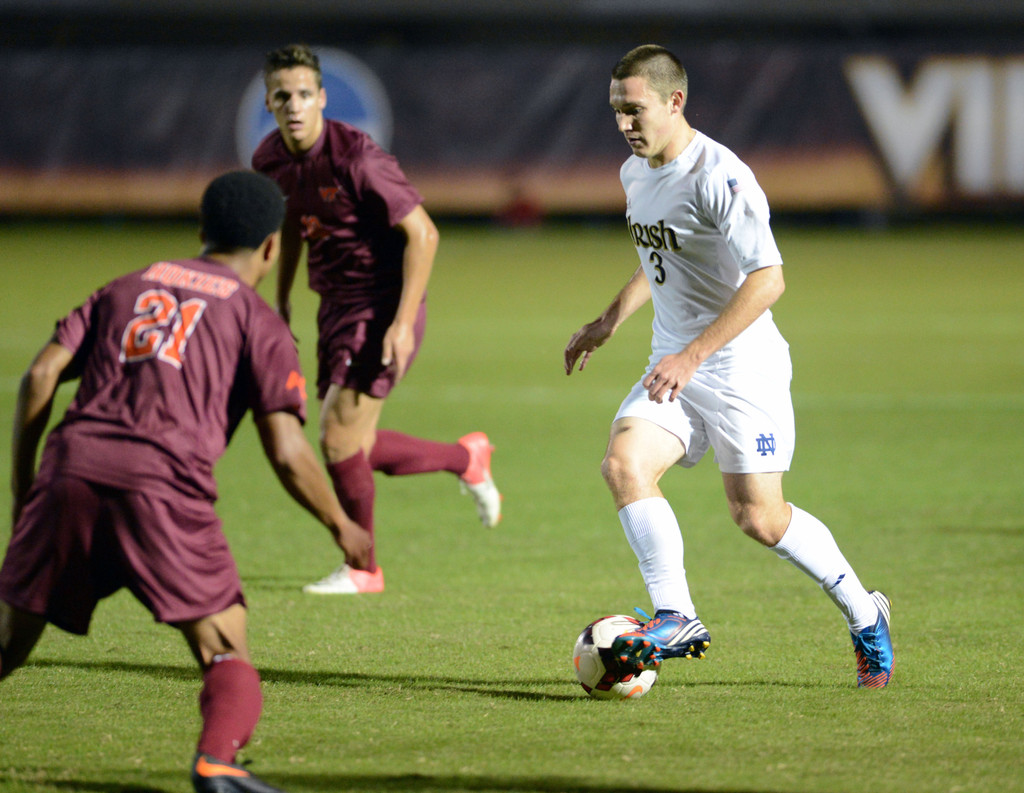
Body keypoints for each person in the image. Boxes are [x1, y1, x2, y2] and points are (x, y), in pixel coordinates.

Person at [0, 170, 373, 793]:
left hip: (71, 470)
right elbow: (285, 450)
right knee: (225, 648)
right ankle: (218, 763)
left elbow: (39, 378)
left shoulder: (125, 286)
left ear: (201, 231)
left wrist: (24, 491)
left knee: (10, 642)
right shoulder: (258, 320)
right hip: (162, 487)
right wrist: (342, 525)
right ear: (272, 248)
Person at [564, 45, 894, 688]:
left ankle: (864, 611)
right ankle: (678, 614)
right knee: (623, 464)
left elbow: (769, 280)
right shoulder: (635, 173)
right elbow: (660, 255)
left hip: (743, 368)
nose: (625, 124)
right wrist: (609, 320)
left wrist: (693, 355)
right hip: (676, 367)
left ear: (674, 101)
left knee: (759, 518)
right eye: (616, 112)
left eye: (635, 110)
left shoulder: (722, 176)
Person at [252, 43, 502, 595]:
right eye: (281, 96)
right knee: (352, 447)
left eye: (303, 94)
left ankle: (365, 568)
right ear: (269, 104)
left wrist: (401, 322)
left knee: (337, 439)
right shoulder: (270, 159)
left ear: (321, 97)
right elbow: (291, 222)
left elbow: (424, 234)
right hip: (336, 306)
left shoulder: (357, 157)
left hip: (385, 304)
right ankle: (466, 458)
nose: (293, 105)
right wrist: (284, 296)